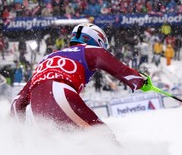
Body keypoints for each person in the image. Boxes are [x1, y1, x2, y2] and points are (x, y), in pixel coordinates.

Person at [11, 23, 150, 130]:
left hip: (38, 109)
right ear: (97, 41)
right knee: (101, 135)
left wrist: (16, 132)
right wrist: (140, 81)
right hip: (60, 93)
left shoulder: (47, 58)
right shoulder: (91, 50)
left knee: (69, 146)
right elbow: (121, 70)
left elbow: (18, 101)